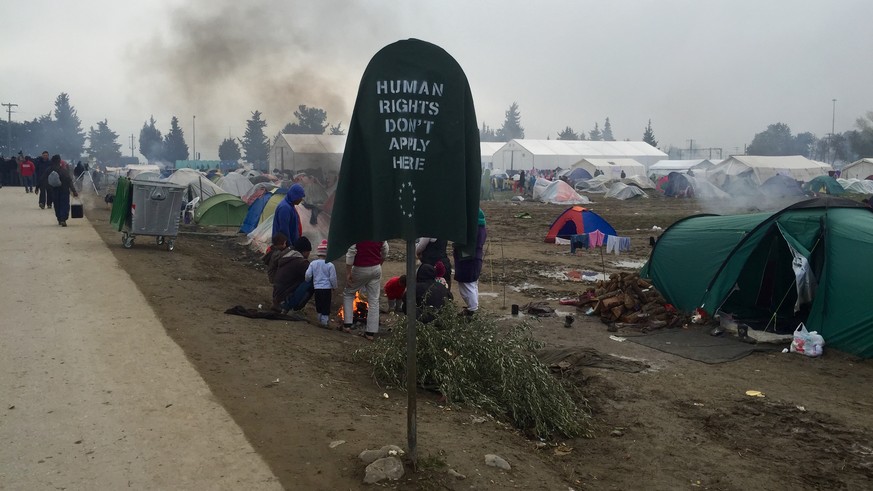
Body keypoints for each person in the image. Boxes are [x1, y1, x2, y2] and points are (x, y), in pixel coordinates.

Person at [342, 240, 389, 340]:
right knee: (374, 300)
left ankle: (347, 325)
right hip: (376, 268)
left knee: (349, 293)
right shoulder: (379, 233)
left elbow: (351, 253)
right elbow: (385, 250)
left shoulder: (358, 233)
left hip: (360, 268)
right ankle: (370, 333)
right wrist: (380, 264)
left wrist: (348, 272)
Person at [453, 209, 488, 315]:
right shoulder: (481, 229)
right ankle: (472, 308)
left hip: (468, 260)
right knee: (471, 284)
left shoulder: (474, 230)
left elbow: (464, 242)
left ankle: (472, 310)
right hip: (472, 259)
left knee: (468, 285)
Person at [272, 237, 313, 312]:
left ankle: (283, 304)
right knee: (311, 282)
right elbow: (313, 275)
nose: (309, 254)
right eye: (308, 252)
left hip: (277, 296)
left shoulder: (288, 256)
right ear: (304, 251)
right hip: (284, 298)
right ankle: (292, 307)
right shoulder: (301, 262)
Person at [305, 239, 337, 328]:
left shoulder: (313, 263)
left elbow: (308, 274)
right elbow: (333, 278)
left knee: (318, 303)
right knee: (326, 305)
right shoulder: (330, 265)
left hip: (317, 288)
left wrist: (308, 281)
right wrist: (334, 286)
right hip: (326, 289)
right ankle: (324, 322)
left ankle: (319, 318)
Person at [41, 155, 78, 227]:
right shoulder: (64, 170)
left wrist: (38, 186)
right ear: (59, 161)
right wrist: (74, 191)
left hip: (54, 190)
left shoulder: (49, 169)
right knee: (64, 205)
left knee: (57, 205)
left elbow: (43, 178)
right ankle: (63, 219)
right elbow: (69, 181)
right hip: (64, 190)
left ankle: (59, 218)